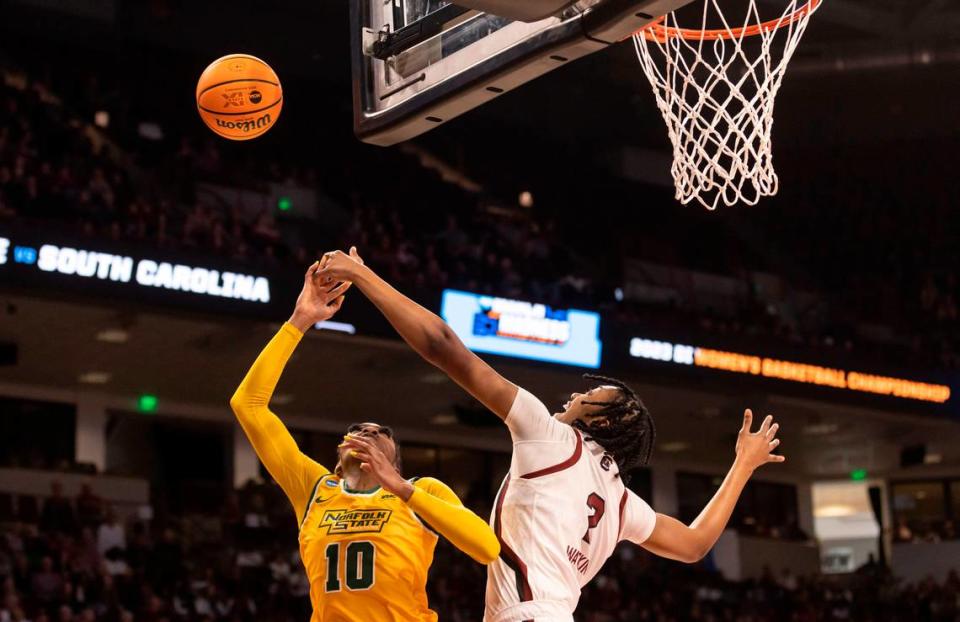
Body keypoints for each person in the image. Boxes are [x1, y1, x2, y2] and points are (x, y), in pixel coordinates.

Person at [319, 247, 787, 622]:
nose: (572, 398)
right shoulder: (622, 503)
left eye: (590, 395)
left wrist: (364, 277)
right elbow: (692, 544)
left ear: (603, 422)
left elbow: (444, 346)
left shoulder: (549, 436)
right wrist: (742, 466)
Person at [229, 260, 499, 622]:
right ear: (339, 458)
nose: (369, 432)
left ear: (394, 463)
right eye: (358, 430)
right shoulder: (313, 488)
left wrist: (402, 489)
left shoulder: (421, 492)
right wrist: (299, 322)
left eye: (380, 433)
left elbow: (486, 547)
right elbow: (247, 405)